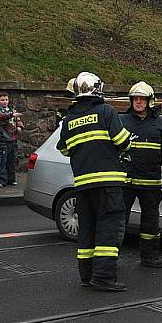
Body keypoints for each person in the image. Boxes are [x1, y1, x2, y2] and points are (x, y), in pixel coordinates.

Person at [56, 72, 131, 291]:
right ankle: (104, 276)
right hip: (108, 182)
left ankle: (87, 275)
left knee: (87, 229)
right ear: (97, 89)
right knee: (109, 228)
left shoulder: (69, 119)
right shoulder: (105, 111)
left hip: (82, 185)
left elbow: (63, 148)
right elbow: (122, 141)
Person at [120, 82, 162, 268]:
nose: (138, 102)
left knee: (151, 222)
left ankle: (149, 257)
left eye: (141, 99)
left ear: (149, 101)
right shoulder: (122, 121)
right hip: (125, 182)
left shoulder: (160, 123)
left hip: (150, 182)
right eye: (135, 99)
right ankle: (110, 258)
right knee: (119, 221)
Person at [0, 92, 23, 187]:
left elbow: (19, 121)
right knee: (2, 161)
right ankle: (1, 181)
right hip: (2, 139)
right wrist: (11, 115)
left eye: (6, 100)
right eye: (2, 100)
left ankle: (11, 179)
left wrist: (20, 127)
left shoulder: (12, 110)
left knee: (12, 161)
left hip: (13, 139)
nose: (5, 102)